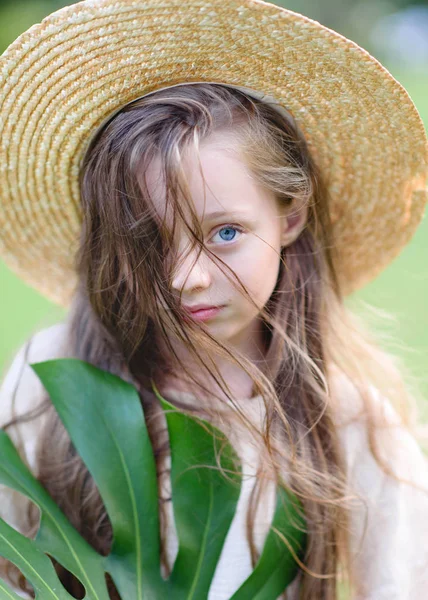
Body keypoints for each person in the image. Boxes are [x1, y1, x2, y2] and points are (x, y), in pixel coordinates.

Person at [0, 0, 427, 598]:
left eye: (225, 232)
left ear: (291, 216)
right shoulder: (49, 381)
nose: (184, 278)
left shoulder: (352, 426)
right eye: (147, 240)